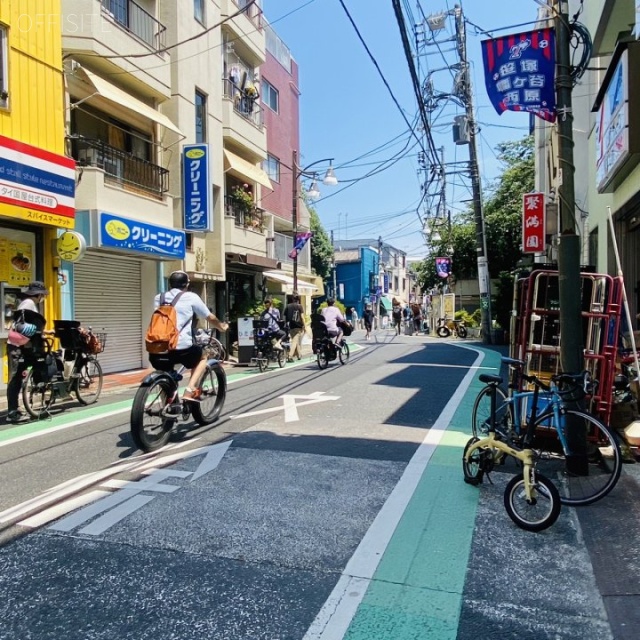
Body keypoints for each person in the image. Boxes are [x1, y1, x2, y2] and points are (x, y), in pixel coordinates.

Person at [150, 271, 228, 401]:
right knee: (202, 356)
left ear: (170, 284)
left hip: (157, 349)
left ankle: (168, 406)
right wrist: (221, 326)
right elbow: (209, 316)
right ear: (186, 284)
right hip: (181, 349)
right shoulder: (191, 297)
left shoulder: (159, 297)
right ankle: (190, 390)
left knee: (166, 373)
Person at [6, 281, 53, 423]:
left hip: (19, 345)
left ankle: (15, 410)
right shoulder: (29, 304)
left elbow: (27, 326)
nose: (43, 298)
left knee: (18, 378)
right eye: (42, 295)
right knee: (15, 379)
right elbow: (23, 327)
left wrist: (44, 332)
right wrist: (39, 334)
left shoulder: (25, 303)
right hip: (17, 346)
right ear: (38, 294)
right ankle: (12, 413)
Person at [284, 293, 305, 362]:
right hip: (298, 326)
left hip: (291, 326)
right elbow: (302, 317)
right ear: (298, 299)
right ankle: (289, 356)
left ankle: (299, 355)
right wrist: (304, 325)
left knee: (295, 341)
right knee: (294, 341)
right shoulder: (299, 306)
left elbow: (285, 316)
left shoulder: (287, 306)